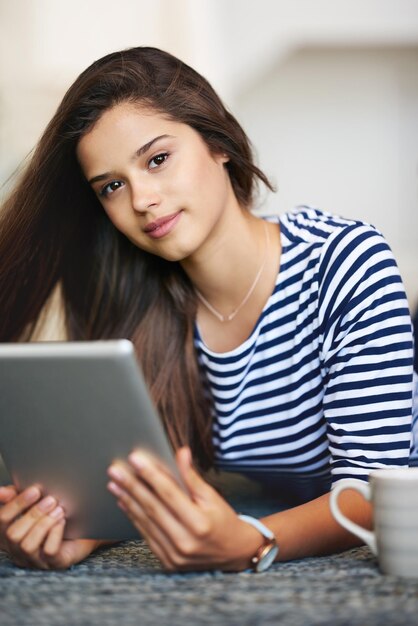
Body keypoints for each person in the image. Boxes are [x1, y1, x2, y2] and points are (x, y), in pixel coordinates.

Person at [0, 46, 415, 572]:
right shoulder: (144, 304)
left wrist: (251, 540)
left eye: (156, 159)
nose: (142, 200)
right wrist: (83, 532)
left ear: (217, 143)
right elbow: (152, 478)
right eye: (112, 186)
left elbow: (372, 492)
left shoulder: (346, 260)